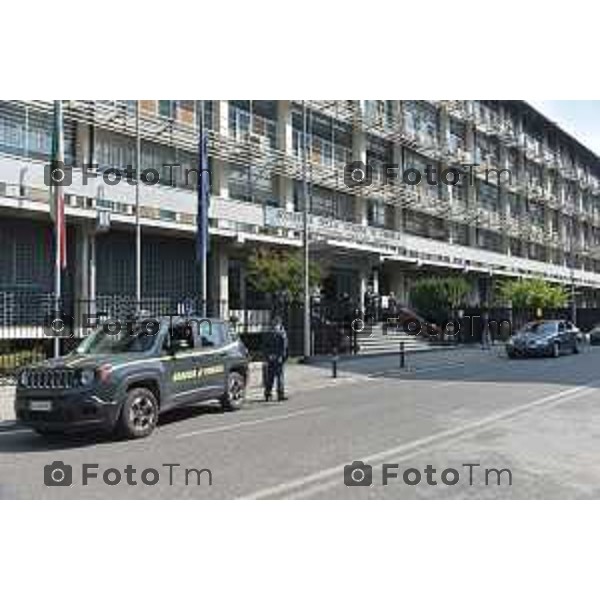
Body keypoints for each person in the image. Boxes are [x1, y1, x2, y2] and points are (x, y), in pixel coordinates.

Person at [263, 316, 289, 401]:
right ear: (280, 323)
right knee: (279, 376)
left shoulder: (268, 333)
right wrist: (282, 356)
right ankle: (280, 394)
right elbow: (284, 347)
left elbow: (265, 347)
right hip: (278, 358)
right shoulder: (281, 333)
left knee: (270, 377)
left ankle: (268, 394)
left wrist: (268, 356)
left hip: (270, 358)